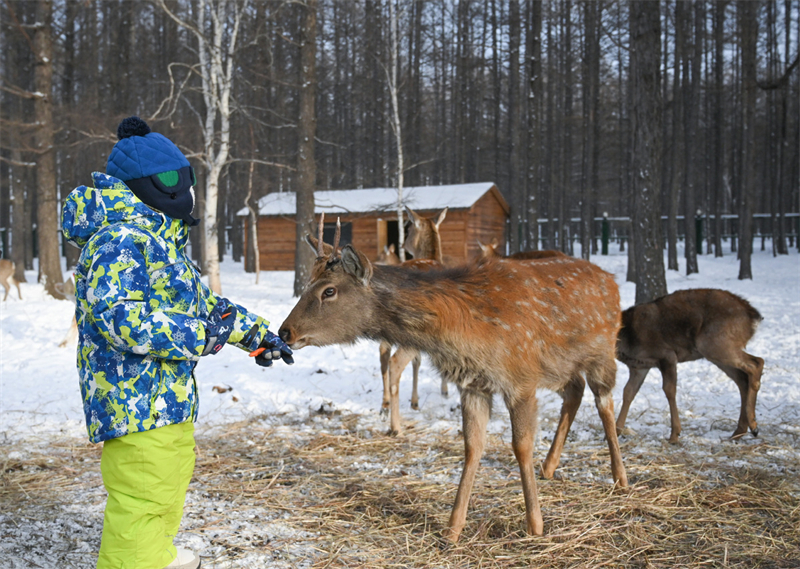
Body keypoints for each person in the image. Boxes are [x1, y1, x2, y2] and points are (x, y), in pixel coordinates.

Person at [61, 116, 294, 569]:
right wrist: (198, 336)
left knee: (169, 479)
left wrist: (255, 335)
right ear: (147, 185)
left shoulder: (160, 243)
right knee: (143, 491)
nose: (183, 191)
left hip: (165, 399)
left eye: (185, 180)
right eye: (173, 181)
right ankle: (133, 562)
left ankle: (156, 554)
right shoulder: (119, 240)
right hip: (133, 401)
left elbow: (207, 307)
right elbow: (120, 318)